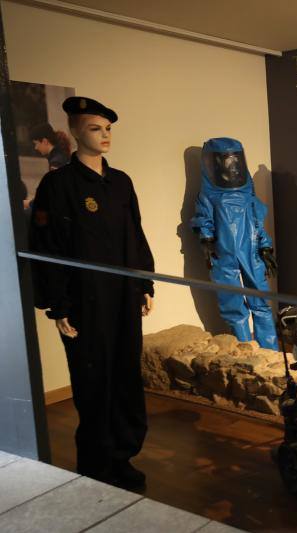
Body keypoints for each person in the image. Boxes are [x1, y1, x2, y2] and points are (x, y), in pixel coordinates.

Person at [30, 96, 155, 489]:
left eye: (108, 129)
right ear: (74, 133)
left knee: (125, 377)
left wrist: (143, 282)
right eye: (95, 128)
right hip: (84, 303)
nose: (104, 136)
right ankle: (96, 466)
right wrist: (58, 303)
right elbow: (47, 244)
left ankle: (123, 454)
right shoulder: (59, 185)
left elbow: (135, 233)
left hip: (123, 299)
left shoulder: (121, 182)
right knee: (92, 382)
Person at [191, 137, 278, 350]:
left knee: (261, 301)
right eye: (226, 160)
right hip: (222, 252)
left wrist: (265, 246)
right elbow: (204, 219)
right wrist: (207, 241)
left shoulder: (247, 190)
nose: (231, 165)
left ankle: (269, 351)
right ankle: (246, 350)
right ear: (215, 162)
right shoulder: (209, 194)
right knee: (233, 305)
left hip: (250, 248)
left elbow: (257, 222)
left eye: (234, 159)